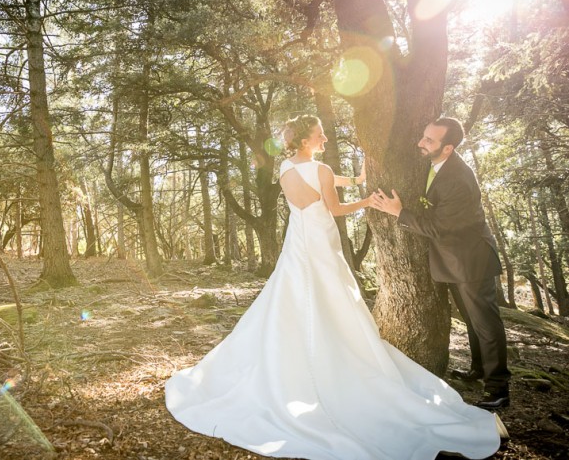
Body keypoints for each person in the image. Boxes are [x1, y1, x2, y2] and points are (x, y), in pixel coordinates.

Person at [165, 114, 504, 460]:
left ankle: (293, 355)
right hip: (324, 243)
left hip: (299, 243)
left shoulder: (287, 167)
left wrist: (354, 178)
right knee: (332, 296)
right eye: (320, 135)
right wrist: (371, 202)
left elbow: (319, 179)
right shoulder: (321, 170)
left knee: (292, 296)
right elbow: (336, 207)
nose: (325, 139)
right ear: (306, 140)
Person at [370, 117, 511, 410]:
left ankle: (498, 389)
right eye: (423, 136)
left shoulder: (458, 179)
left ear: (447, 148)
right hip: (453, 259)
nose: (421, 143)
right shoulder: (436, 163)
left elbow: (440, 227)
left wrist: (400, 213)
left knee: (485, 323)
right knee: (472, 320)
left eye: (429, 141)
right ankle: (478, 369)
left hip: (470, 260)